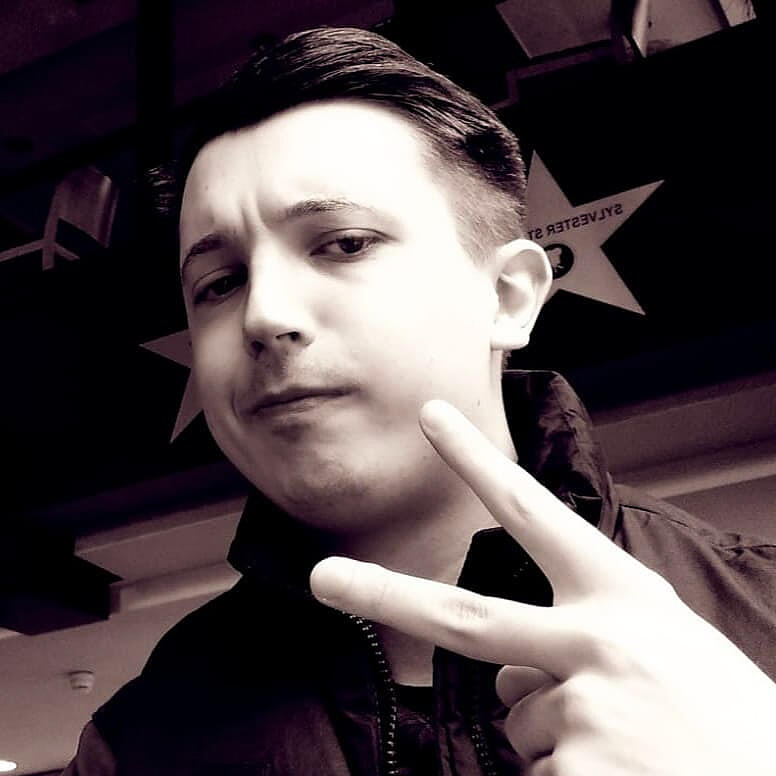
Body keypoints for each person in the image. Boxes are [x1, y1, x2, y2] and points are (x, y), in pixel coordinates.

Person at [64, 26, 776, 775]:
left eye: (345, 243)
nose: (264, 314)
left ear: (509, 296)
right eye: (219, 283)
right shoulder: (138, 746)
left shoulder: (760, 611)